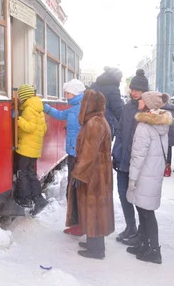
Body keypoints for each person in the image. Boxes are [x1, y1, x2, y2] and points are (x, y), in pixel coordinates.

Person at [64, 90, 114, 259]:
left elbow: (88, 153)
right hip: (97, 173)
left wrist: (78, 174)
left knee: (95, 209)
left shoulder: (94, 123)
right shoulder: (98, 121)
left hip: (93, 175)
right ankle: (93, 242)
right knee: (94, 208)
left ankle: (97, 249)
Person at [126, 91, 172, 264]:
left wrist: (132, 178)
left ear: (148, 105)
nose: (139, 102)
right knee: (144, 210)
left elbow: (138, 156)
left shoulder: (145, 126)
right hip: (153, 173)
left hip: (144, 174)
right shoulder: (160, 124)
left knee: (146, 212)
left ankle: (153, 250)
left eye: (142, 100)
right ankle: (144, 244)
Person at [43, 78, 86, 234]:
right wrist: (46, 108)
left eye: (68, 93)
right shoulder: (74, 107)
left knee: (75, 188)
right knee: (72, 188)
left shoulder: (81, 108)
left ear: (75, 93)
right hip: (73, 152)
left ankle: (79, 223)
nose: (66, 95)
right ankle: (76, 222)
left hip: (78, 154)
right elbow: (61, 115)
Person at [112, 69, 148, 245]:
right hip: (123, 160)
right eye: (132, 89)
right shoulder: (127, 107)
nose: (134, 92)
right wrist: (115, 154)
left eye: (138, 89)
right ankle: (130, 226)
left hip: (138, 162)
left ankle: (142, 231)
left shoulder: (149, 110)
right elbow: (119, 132)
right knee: (122, 193)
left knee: (139, 197)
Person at [15, 84, 48, 216]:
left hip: (26, 149)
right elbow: (43, 128)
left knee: (22, 173)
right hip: (35, 148)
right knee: (31, 174)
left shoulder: (28, 110)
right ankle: (38, 199)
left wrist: (18, 120)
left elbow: (29, 127)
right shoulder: (38, 108)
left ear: (23, 97)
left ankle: (26, 199)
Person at [91, 66, 124, 140]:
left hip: (91, 122)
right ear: (116, 78)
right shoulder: (113, 89)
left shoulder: (94, 85)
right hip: (105, 123)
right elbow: (117, 109)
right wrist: (124, 122)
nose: (121, 80)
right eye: (120, 78)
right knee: (104, 148)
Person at [162, 100, 174, 175]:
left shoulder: (162, 111)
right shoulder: (172, 110)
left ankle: (164, 168)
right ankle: (168, 169)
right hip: (171, 133)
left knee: (163, 152)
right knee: (169, 151)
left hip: (164, 133)